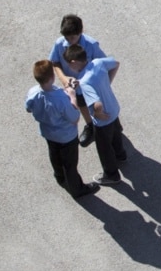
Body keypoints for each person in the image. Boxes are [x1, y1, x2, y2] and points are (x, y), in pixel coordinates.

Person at [25, 60, 99, 198]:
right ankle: (77, 189)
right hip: (66, 137)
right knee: (70, 164)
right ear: (52, 77)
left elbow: (28, 108)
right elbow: (74, 117)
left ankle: (59, 176)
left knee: (54, 154)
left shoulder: (33, 93)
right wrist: (72, 96)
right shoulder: (61, 98)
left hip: (48, 133)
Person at [63, 44, 127, 185]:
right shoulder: (98, 63)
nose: (69, 68)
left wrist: (98, 114)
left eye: (69, 65)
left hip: (104, 120)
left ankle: (111, 174)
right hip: (114, 108)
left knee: (104, 147)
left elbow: (97, 104)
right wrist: (107, 83)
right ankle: (121, 155)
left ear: (74, 62)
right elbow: (116, 64)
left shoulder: (85, 82)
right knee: (116, 133)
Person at [49, 14, 107, 115]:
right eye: (67, 38)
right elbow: (55, 62)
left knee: (98, 109)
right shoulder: (59, 44)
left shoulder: (91, 45)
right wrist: (63, 78)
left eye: (72, 38)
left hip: (90, 87)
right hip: (74, 87)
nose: (70, 41)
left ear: (80, 32)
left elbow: (103, 64)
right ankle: (89, 125)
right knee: (82, 105)